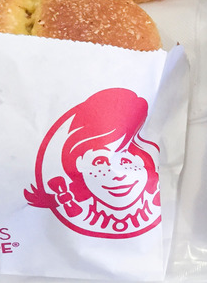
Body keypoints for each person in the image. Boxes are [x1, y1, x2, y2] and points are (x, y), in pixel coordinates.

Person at [25, 88, 161, 237]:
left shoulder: (157, 204)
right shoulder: (75, 208)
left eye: (126, 160)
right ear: (77, 165)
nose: (117, 175)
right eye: (98, 162)